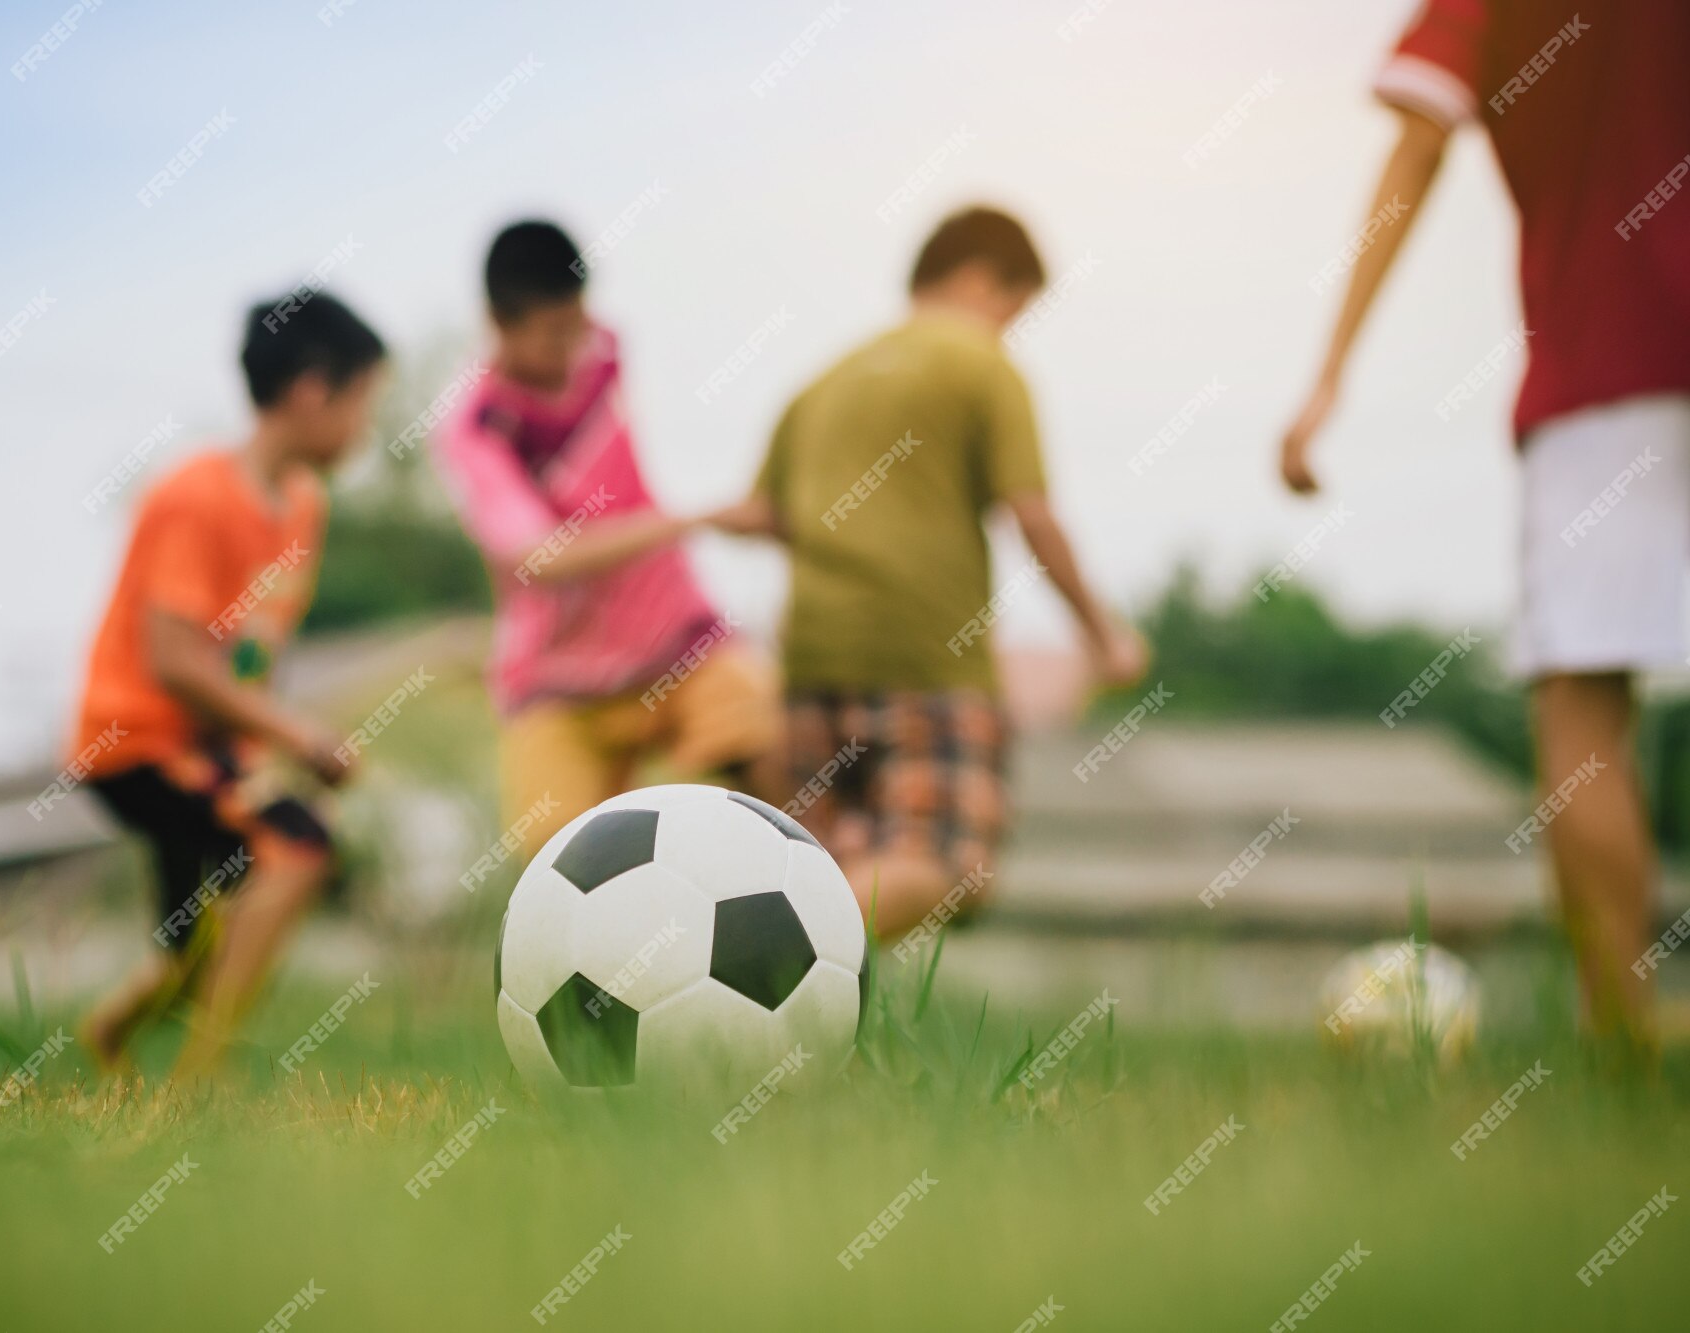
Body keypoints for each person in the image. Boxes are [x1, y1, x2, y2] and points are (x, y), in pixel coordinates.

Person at [1279, 0, 1690, 1053]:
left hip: (1605, 370)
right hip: (1611, 369)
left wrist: (1327, 371)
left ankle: (1623, 1049)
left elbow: (1417, 142)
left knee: (1583, 710)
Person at [746, 205, 1148, 938]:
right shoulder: (982, 363)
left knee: (839, 854)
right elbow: (1032, 514)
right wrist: (1104, 633)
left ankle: (763, 994)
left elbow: (765, 516)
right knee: (947, 862)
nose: (1010, 328)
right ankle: (775, 947)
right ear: (978, 278)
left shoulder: (820, 382)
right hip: (928, 657)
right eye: (1014, 308)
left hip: (810, 657)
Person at [75, 291, 387, 1079]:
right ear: (313, 389)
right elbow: (175, 661)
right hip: (137, 740)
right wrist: (297, 735)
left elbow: (249, 656)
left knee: (195, 942)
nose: (365, 427)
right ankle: (197, 1087)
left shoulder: (302, 505)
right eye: (362, 402)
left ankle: (109, 1035)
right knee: (297, 845)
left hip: (208, 750)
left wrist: (263, 748)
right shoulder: (196, 496)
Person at [434, 220, 777, 859]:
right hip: (558, 673)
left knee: (764, 742)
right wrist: (696, 518)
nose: (573, 348)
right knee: (557, 866)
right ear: (498, 323)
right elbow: (541, 559)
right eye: (553, 333)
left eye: (578, 325)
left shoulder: (607, 351)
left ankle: (814, 932)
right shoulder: (476, 430)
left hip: (672, 635)